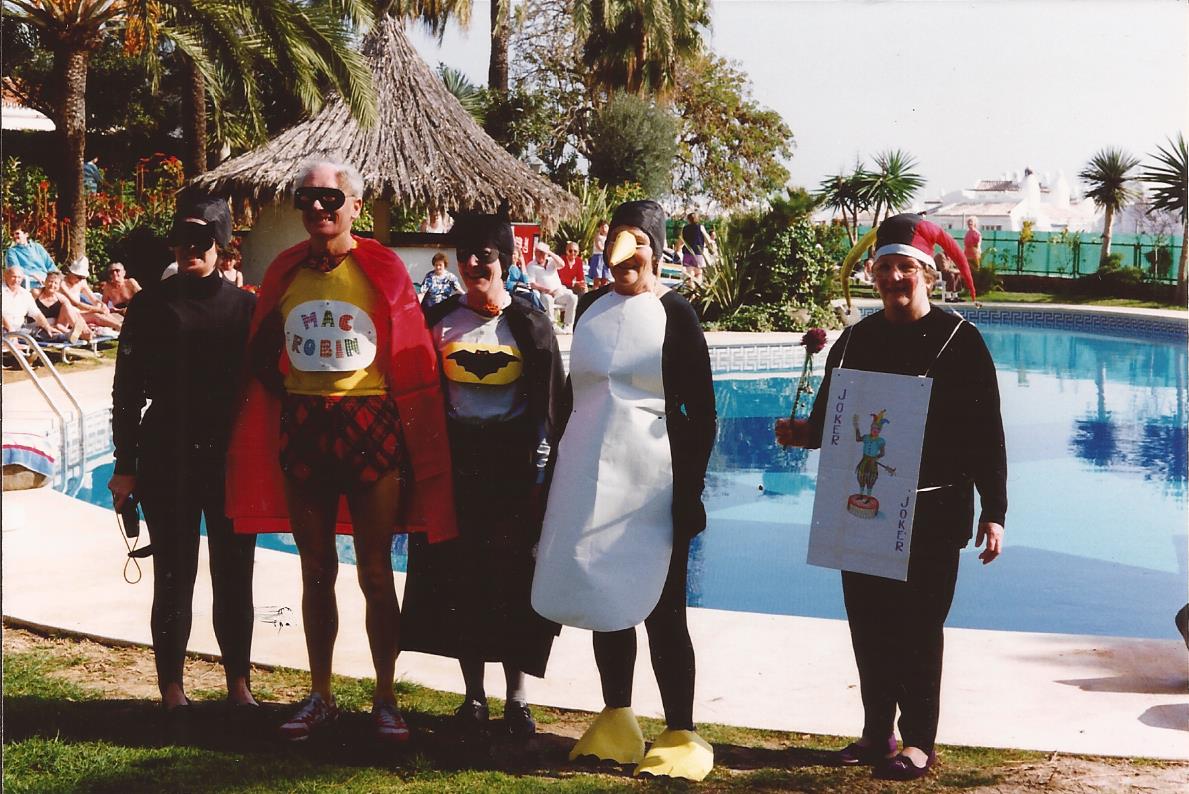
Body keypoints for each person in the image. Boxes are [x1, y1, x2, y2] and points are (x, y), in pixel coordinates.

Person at [226, 160, 457, 744]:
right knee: (315, 571)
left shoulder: (382, 268)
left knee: (376, 574)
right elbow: (260, 350)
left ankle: (385, 697)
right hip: (305, 425)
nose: (319, 209)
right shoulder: (285, 270)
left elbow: (409, 354)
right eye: (308, 199)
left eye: (331, 198)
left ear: (355, 204)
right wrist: (286, 388)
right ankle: (321, 694)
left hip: (370, 423)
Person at [775, 213, 1005, 781]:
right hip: (866, 507)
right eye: (885, 267)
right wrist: (803, 434)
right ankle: (878, 731)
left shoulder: (961, 342)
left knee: (920, 628)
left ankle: (920, 741)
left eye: (906, 266)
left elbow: (986, 432)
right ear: (872, 275)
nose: (895, 277)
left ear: (927, 272)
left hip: (935, 509)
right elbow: (831, 421)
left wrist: (994, 511)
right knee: (869, 623)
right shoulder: (854, 341)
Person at [531, 200, 718, 781]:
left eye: (636, 241)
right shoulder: (589, 307)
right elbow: (569, 397)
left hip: (653, 481)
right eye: (616, 239)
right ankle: (616, 717)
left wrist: (687, 490)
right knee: (603, 600)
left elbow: (703, 413)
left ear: (656, 252)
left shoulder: (676, 314)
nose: (623, 253)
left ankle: (681, 730)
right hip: (589, 474)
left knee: (664, 612)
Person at [402, 204, 563, 739]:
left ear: (506, 260)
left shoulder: (531, 324)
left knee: (514, 581)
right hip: (456, 466)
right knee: (460, 580)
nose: (475, 264)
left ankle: (517, 698)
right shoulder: (438, 318)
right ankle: (473, 697)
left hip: (513, 472)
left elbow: (551, 408)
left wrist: (544, 474)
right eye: (467, 254)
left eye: (487, 255)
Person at [107, 192, 258, 717]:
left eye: (202, 240)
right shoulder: (150, 305)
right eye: (182, 239)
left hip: (229, 457)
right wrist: (124, 467)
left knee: (235, 573)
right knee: (174, 574)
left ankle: (238, 682)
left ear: (221, 244)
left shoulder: (246, 308)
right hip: (167, 451)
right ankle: (171, 686)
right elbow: (126, 391)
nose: (191, 248)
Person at [527, 241, 578, 333]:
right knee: (547, 299)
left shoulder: (551, 261)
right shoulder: (531, 265)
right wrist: (546, 290)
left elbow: (562, 264)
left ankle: (568, 325)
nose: (540, 255)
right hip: (544, 293)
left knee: (573, 298)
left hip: (558, 292)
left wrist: (549, 252)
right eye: (538, 252)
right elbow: (532, 283)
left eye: (543, 253)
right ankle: (552, 325)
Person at [62, 257, 122, 332]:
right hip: (68, 315)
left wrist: (101, 305)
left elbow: (93, 299)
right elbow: (75, 303)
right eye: (79, 277)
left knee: (102, 311)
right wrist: (97, 309)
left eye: (83, 277)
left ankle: (120, 326)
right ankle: (120, 327)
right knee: (96, 315)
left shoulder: (82, 282)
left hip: (79, 313)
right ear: (71, 272)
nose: (80, 280)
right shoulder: (62, 284)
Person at [2, 263, 57, 339]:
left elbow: (37, 314)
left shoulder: (25, 294)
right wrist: (11, 331)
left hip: (19, 329)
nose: (16, 280)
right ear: (5, 276)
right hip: (4, 329)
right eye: (13, 277)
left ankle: (65, 336)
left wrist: (47, 326)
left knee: (45, 332)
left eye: (19, 277)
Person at [35, 270, 91, 342]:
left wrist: (85, 328)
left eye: (56, 283)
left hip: (56, 325)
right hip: (38, 325)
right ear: (45, 282)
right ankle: (76, 335)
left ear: (59, 286)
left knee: (68, 307)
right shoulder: (36, 293)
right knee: (52, 334)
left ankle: (82, 332)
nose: (52, 285)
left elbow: (73, 313)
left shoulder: (61, 298)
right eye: (50, 281)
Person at [4, 226, 55, 291]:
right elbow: (16, 269)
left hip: (47, 279)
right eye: (13, 234)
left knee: (64, 288)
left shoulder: (37, 247)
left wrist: (55, 275)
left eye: (17, 233)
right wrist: (33, 275)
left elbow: (50, 264)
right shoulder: (12, 251)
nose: (14, 236)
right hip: (30, 281)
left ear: (26, 234)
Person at [679, 212, 717, 286]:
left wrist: (678, 249)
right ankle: (697, 290)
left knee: (689, 274)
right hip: (698, 253)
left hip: (687, 253)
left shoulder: (685, 228)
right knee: (698, 273)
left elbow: (681, 240)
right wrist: (710, 246)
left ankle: (691, 290)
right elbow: (707, 239)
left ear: (688, 220)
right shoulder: (700, 227)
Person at [587, 221, 610, 288]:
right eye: (602, 227)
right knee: (597, 278)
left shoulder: (609, 237)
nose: (604, 228)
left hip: (606, 257)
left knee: (605, 279)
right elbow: (599, 246)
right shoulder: (598, 236)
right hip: (598, 257)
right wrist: (606, 250)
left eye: (605, 227)